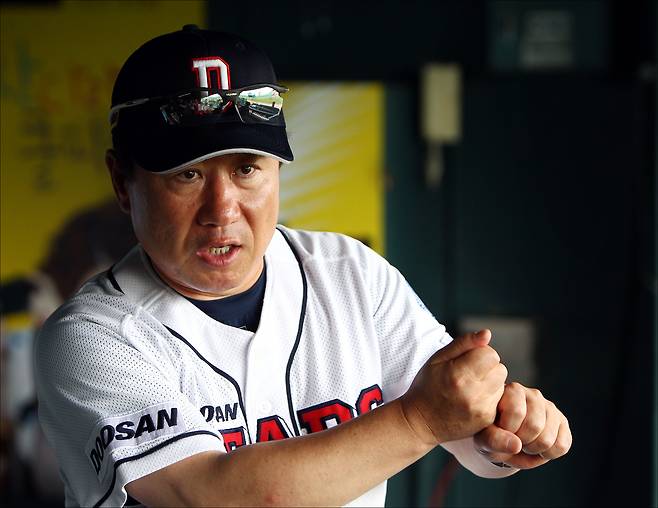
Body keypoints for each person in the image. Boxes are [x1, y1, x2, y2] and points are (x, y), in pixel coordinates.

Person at [35, 25, 571, 507]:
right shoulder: (93, 336)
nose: (223, 210)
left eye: (247, 169)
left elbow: (465, 431)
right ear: (122, 182)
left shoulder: (349, 273)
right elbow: (216, 497)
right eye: (188, 174)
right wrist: (419, 419)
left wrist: (507, 429)